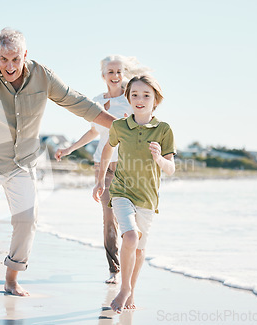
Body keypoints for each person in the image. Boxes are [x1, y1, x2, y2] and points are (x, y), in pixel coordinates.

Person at [0, 27, 116, 296]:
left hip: (22, 162)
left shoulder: (42, 76)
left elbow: (78, 102)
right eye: (4, 60)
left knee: (27, 219)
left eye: (16, 59)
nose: (10, 66)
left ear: (25, 54)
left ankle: (12, 278)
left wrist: (119, 127)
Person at [55, 55, 150, 284]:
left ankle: (133, 263)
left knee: (132, 220)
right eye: (110, 72)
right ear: (103, 75)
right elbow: (93, 132)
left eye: (119, 71)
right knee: (108, 218)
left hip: (129, 168)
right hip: (104, 167)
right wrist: (70, 149)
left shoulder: (131, 98)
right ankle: (114, 269)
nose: (115, 76)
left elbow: (144, 126)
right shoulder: (96, 101)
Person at [92, 75, 176, 313]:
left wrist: (159, 158)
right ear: (128, 98)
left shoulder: (163, 130)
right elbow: (108, 149)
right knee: (130, 237)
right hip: (121, 192)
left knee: (139, 249)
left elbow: (170, 168)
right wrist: (100, 180)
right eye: (135, 95)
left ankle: (130, 289)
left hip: (148, 198)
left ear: (155, 100)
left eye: (146, 95)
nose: (140, 99)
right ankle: (124, 289)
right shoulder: (120, 126)